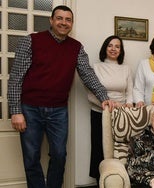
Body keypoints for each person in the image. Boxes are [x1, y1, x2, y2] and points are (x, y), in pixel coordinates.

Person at [7, 5, 113, 188]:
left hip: (58, 111)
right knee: (31, 156)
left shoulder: (76, 48)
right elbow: (16, 77)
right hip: (30, 108)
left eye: (68, 19)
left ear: (71, 23)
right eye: (60, 18)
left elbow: (87, 74)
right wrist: (16, 111)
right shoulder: (31, 41)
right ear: (51, 20)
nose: (64, 23)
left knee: (59, 155)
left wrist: (104, 96)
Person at [88, 35, 133, 183]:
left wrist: (127, 105)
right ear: (105, 48)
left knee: (121, 149)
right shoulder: (96, 67)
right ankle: (100, 181)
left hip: (122, 115)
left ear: (121, 50)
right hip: (100, 113)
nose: (113, 49)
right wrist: (109, 104)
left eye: (117, 46)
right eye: (110, 46)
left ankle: (120, 180)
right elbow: (91, 94)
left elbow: (130, 92)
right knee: (99, 148)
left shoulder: (126, 68)